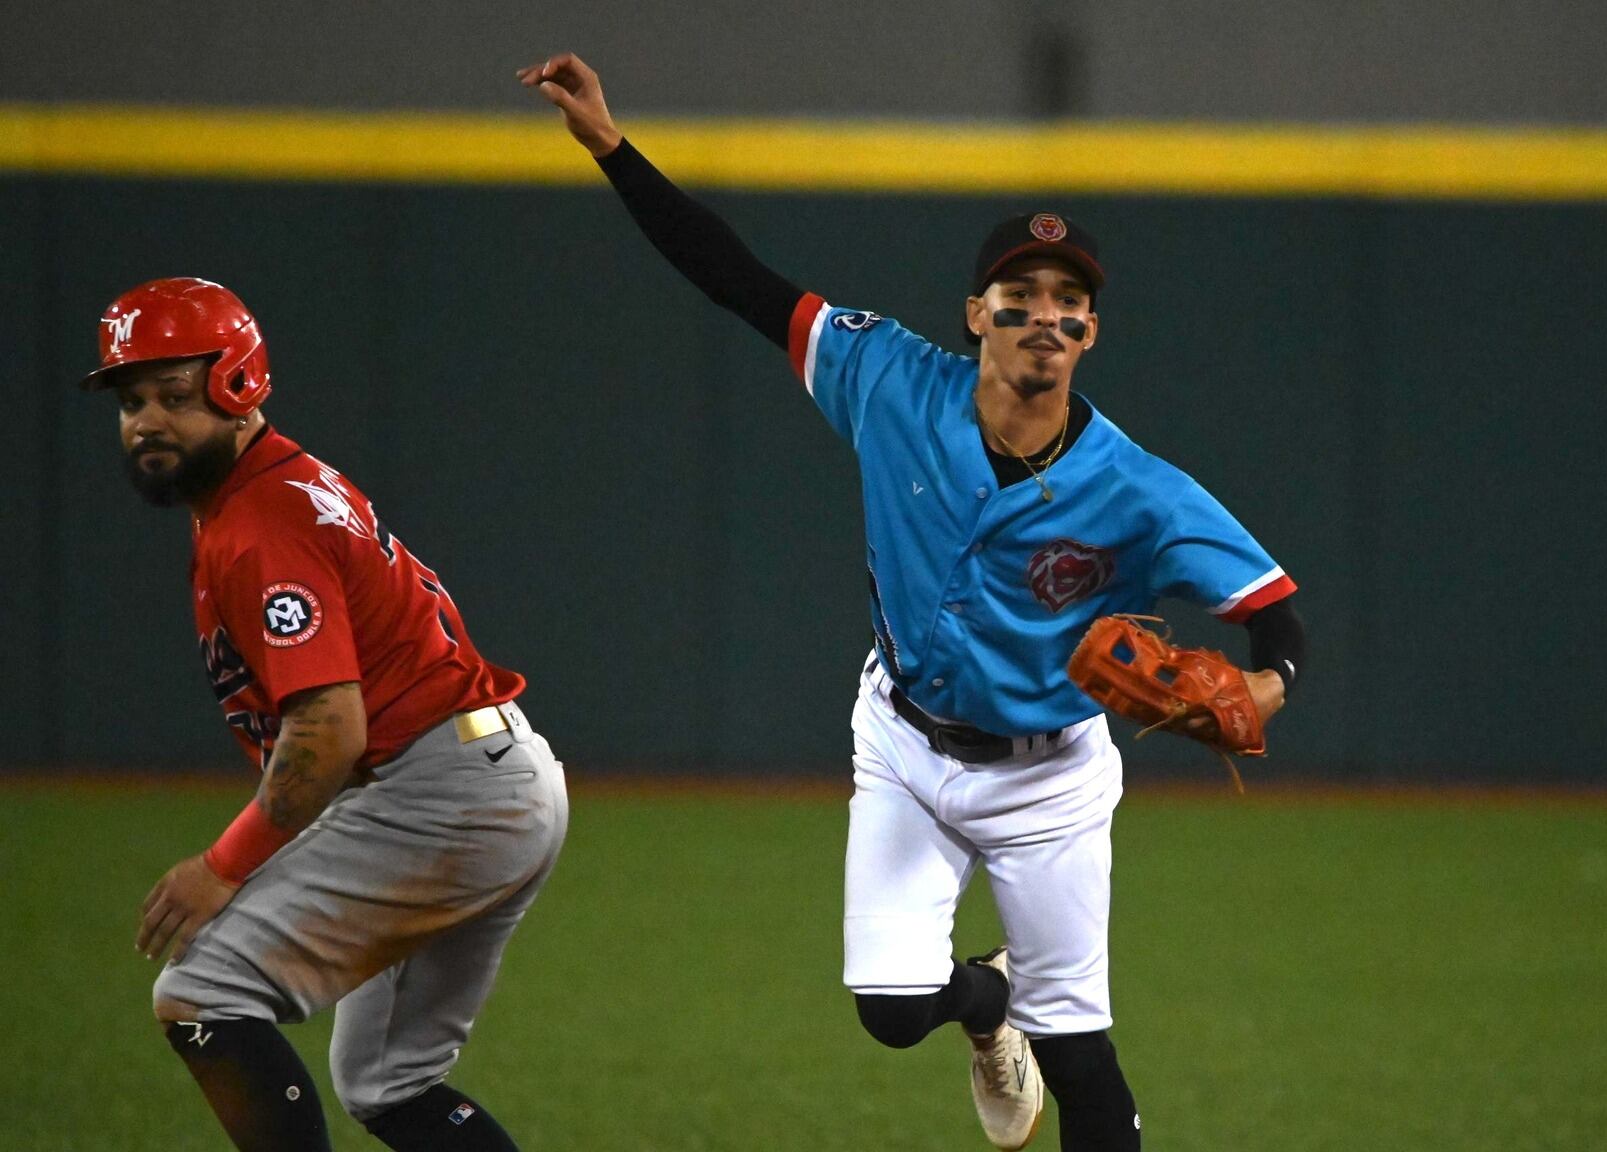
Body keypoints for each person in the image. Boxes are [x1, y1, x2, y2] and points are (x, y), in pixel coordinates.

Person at [522, 53, 1305, 1151]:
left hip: (1049, 779)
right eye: (1021, 297)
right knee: (891, 1013)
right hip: (902, 739)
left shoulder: (1139, 491)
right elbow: (735, 278)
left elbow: (1274, 611)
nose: (1045, 316)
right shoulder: (888, 379)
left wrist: (1269, 685)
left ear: (1090, 332)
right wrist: (611, 146)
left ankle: (1032, 1020)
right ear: (975, 314)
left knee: (1080, 1056)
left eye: (1068, 303)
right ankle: (987, 1007)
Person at [88, 277, 569, 1151]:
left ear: (238, 386)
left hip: (442, 791)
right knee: (388, 1083)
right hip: (486, 778)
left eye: (173, 395)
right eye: (130, 401)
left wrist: (222, 866)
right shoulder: (264, 491)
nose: (146, 421)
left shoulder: (260, 519)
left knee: (202, 991)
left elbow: (327, 730)